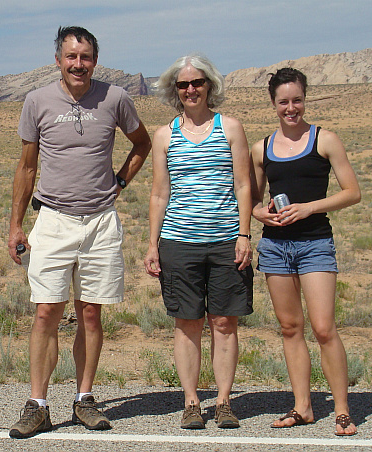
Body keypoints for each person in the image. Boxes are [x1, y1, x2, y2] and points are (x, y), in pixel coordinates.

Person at [7, 26, 151, 439]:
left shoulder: (115, 98)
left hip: (100, 220)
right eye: (71, 56)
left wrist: (120, 182)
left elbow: (141, 144)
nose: (78, 64)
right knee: (46, 312)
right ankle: (37, 405)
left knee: (91, 312)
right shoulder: (37, 101)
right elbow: (27, 167)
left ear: (95, 60)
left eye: (85, 57)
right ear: (58, 60)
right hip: (52, 220)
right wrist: (16, 224)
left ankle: (85, 399)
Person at [144, 54, 253, 430]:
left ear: (210, 86)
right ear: (174, 90)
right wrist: (152, 244)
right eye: (183, 84)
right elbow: (160, 193)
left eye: (198, 82)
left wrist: (244, 234)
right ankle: (192, 402)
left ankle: (223, 401)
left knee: (224, 322)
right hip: (179, 241)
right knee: (187, 323)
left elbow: (244, 185)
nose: (191, 90)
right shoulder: (165, 135)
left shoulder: (231, 128)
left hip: (226, 240)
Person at [250, 67, 360, 436]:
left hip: (315, 243)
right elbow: (251, 198)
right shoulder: (262, 147)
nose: (291, 108)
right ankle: (303, 407)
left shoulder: (325, 140)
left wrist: (310, 206)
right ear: (273, 104)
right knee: (290, 327)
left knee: (324, 327)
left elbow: (351, 192)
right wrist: (257, 212)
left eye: (297, 100)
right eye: (284, 102)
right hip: (276, 245)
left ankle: (342, 409)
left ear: (305, 99)